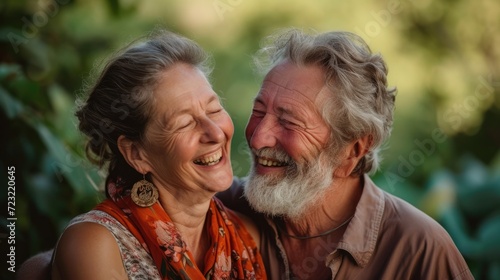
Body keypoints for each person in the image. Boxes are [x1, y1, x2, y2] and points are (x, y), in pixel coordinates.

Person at [221, 29, 474, 279]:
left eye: (289, 122)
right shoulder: (219, 207)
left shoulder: (419, 250)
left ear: (352, 150)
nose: (258, 137)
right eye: (259, 111)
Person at [44, 30, 266, 279]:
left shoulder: (246, 236)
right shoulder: (94, 243)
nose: (215, 133)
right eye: (184, 123)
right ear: (137, 154)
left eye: (214, 110)